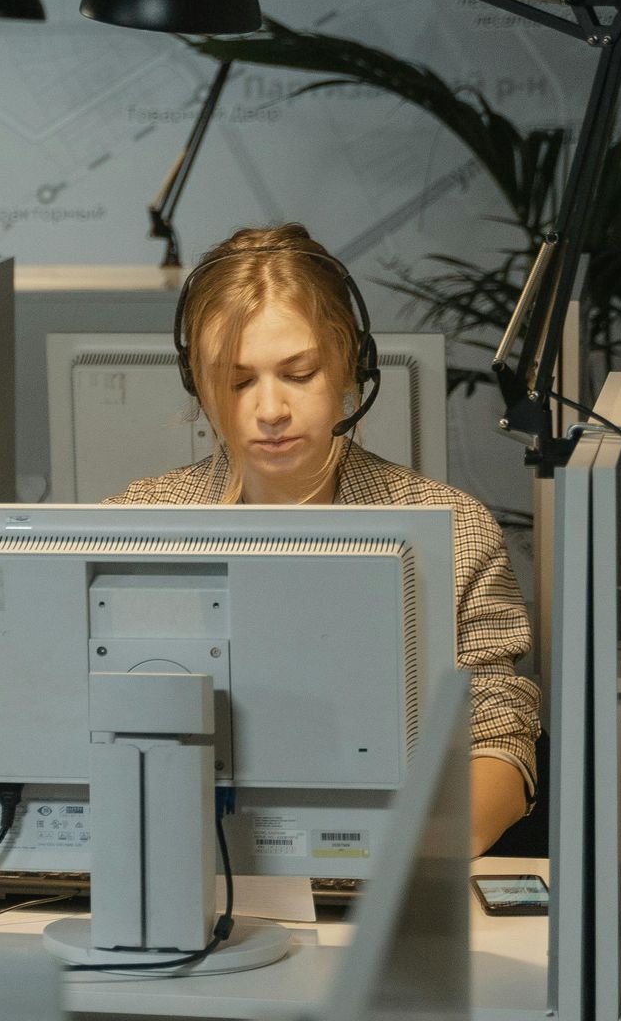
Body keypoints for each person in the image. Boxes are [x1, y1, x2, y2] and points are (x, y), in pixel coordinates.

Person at [108, 223, 541, 856]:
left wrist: (414, 847)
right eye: (237, 382)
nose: (271, 409)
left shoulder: (450, 527)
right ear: (197, 388)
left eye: (299, 373)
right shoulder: (135, 525)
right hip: (185, 866)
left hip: (391, 871)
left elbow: (499, 734)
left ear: (349, 367)